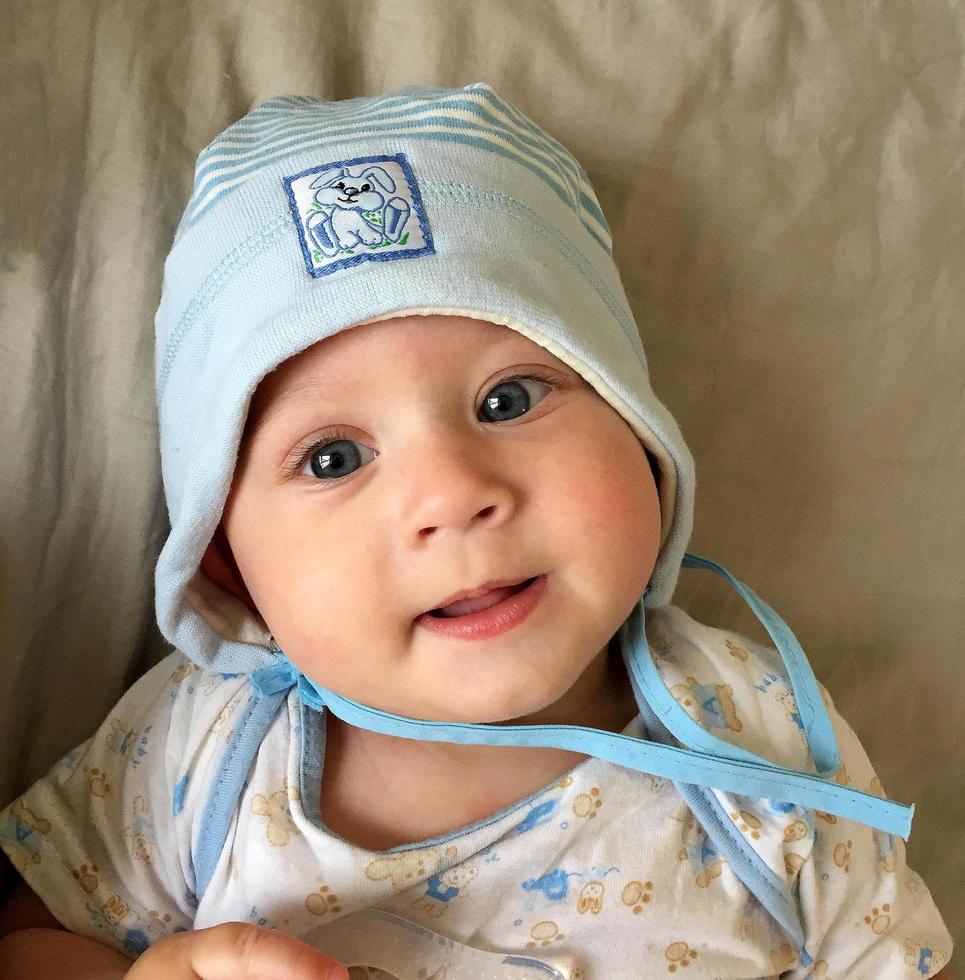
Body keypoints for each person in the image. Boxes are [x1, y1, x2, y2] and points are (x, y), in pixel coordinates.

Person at [0, 83, 954, 980]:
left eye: (507, 399)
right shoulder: (198, 751)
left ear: (642, 436)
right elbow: (27, 936)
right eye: (332, 458)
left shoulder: (762, 740)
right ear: (228, 563)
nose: (452, 496)